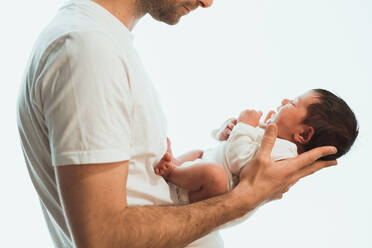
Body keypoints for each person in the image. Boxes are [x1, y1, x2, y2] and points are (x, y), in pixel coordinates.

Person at [16, 0, 338, 247]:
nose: (208, 2)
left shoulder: (105, 44)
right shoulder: (89, 49)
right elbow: (103, 237)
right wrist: (243, 200)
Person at [155, 89, 359, 204]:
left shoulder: (284, 155)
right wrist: (225, 131)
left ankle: (172, 173)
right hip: (200, 169)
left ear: (303, 134)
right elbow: (228, 145)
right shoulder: (270, 132)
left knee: (213, 173)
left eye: (294, 103)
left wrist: (244, 125)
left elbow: (239, 162)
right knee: (199, 153)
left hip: (208, 190)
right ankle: (176, 165)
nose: (285, 100)